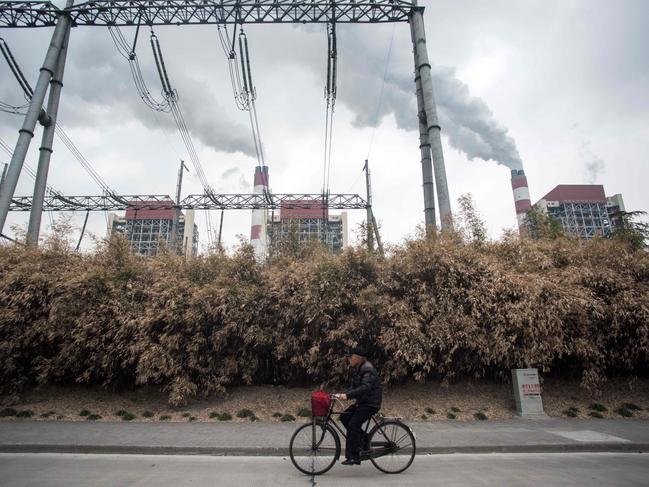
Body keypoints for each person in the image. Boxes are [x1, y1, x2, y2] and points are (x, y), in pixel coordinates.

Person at [333, 346, 382, 466]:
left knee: (353, 424)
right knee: (345, 417)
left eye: (351, 356)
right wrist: (343, 394)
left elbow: (365, 388)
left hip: (371, 404)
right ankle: (364, 440)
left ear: (358, 358)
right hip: (363, 402)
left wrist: (348, 396)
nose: (349, 359)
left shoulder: (367, 369)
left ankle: (354, 457)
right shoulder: (358, 368)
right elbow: (355, 387)